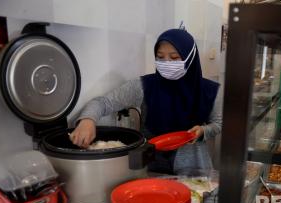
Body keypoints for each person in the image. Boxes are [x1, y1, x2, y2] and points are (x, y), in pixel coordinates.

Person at [69, 29, 222, 175]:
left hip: (192, 166)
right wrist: (87, 120)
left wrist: (203, 131)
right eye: (160, 57)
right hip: (150, 162)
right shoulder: (144, 85)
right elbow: (103, 102)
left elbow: (219, 123)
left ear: (190, 57)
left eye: (174, 58)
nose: (166, 62)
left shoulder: (210, 91)